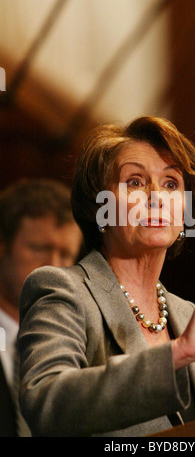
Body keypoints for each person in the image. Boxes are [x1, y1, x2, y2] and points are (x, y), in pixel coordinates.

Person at [18, 117, 195, 437]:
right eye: (136, 182)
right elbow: (46, 403)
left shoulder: (186, 314)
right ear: (101, 208)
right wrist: (177, 354)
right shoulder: (63, 292)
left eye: (171, 184)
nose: (157, 197)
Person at [0, 179, 82, 437]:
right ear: (2, 247)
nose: (53, 268)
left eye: (66, 255)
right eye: (39, 249)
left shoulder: (80, 348)